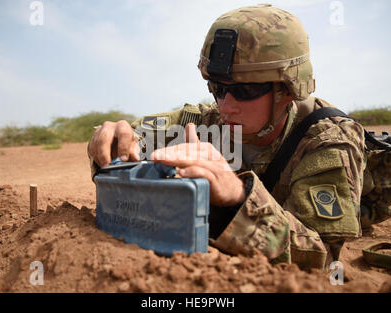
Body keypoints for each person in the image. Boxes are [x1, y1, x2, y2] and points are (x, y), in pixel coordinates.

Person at [87, 4, 366, 269]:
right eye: (217, 88)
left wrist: (237, 197)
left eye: (245, 91)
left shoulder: (327, 141)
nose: (226, 106)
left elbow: (325, 257)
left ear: (288, 90)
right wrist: (111, 141)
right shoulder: (204, 121)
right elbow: (127, 136)